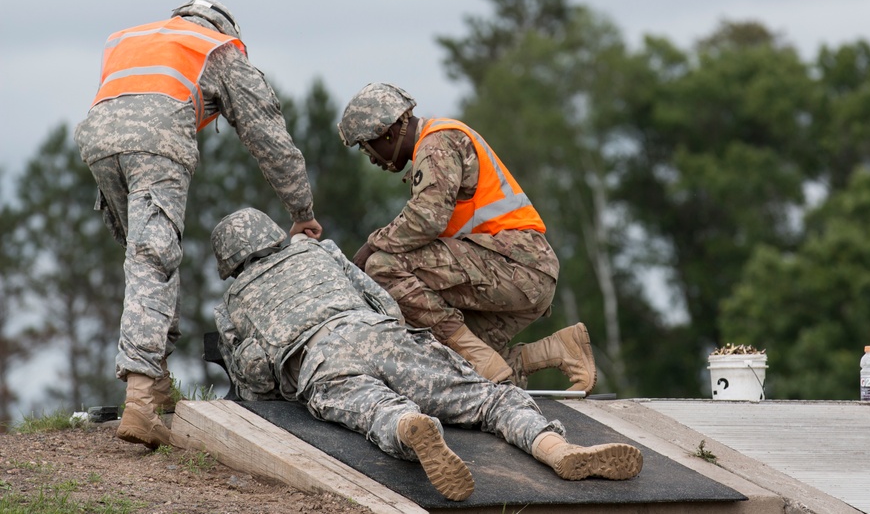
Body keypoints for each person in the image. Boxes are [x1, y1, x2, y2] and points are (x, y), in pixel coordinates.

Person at [210, 208, 642, 501]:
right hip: (378, 333)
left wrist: (272, 388)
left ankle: (409, 426)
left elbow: (255, 378)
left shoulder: (230, 303)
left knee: (377, 412)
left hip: (320, 362)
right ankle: (554, 448)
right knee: (489, 399)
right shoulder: (319, 250)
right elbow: (384, 301)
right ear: (270, 233)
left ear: (228, 261)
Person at [74, 0, 322, 449]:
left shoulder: (138, 37)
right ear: (224, 26)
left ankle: (157, 380)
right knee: (154, 261)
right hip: (157, 141)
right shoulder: (217, 48)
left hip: (97, 138)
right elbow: (269, 136)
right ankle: (142, 400)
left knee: (146, 260)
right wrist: (302, 211)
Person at [336, 82, 596, 392]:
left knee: (382, 265)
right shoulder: (437, 144)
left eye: (368, 148)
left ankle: (480, 361)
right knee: (437, 357)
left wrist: (370, 246)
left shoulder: (437, 143)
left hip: (518, 266)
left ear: (389, 132)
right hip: (518, 275)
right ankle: (556, 351)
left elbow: (426, 219)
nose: (372, 160)